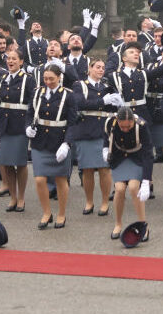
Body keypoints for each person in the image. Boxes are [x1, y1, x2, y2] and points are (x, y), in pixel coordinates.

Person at [26, 65, 77, 229]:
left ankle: (61, 214)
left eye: (51, 79)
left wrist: (67, 143)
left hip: (59, 141)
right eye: (45, 79)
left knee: (60, 179)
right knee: (39, 179)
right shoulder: (37, 93)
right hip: (40, 141)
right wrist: (28, 127)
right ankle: (46, 212)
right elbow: (30, 113)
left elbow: (73, 122)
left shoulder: (68, 95)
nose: (48, 82)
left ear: (59, 77)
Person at [0, 50, 37, 211]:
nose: (10, 61)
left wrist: (30, 124)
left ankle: (21, 198)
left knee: (20, 163)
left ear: (21, 61)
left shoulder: (28, 79)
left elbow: (33, 103)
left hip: (19, 125)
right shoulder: (2, 78)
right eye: (8, 59)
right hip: (3, 125)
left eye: (14, 59)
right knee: (6, 164)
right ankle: (13, 197)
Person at [71, 57, 115, 216]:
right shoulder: (79, 85)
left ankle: (105, 202)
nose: (101, 70)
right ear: (89, 69)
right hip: (85, 131)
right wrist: (102, 100)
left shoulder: (107, 87)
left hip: (103, 131)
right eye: (97, 67)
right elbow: (80, 103)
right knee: (87, 169)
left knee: (104, 169)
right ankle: (89, 201)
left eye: (103, 67)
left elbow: (112, 108)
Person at [105, 106, 153, 241]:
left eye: (128, 126)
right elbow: (106, 136)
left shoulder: (141, 126)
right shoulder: (111, 122)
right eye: (122, 126)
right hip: (119, 157)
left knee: (133, 187)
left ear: (133, 121)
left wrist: (146, 180)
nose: (125, 129)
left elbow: (148, 153)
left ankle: (143, 225)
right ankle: (118, 224)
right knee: (119, 189)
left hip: (136, 157)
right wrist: (105, 149)